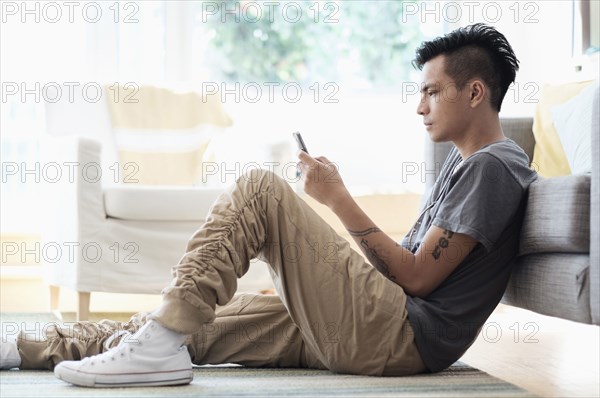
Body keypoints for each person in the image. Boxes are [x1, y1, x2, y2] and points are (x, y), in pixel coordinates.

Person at [0, 23, 537, 387]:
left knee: (260, 187)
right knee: (189, 325)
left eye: (432, 91)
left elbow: (417, 280)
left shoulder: (494, 166)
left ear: (474, 93)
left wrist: (338, 198)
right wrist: (304, 280)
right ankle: (24, 347)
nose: (419, 106)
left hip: (399, 336)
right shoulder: (465, 165)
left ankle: (159, 340)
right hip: (380, 324)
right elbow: (411, 271)